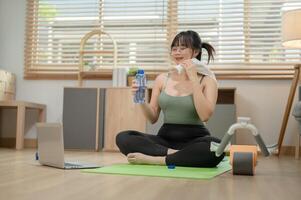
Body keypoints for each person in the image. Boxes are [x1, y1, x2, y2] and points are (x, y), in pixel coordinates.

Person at [116, 30, 225, 168]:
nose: (177, 52)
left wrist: (193, 78)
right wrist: (141, 99)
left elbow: (205, 116)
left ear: (196, 51)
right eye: (174, 48)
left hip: (196, 139)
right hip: (165, 140)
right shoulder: (162, 79)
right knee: (123, 137)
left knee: (216, 147)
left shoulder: (207, 80)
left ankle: (156, 159)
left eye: (182, 48)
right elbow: (152, 117)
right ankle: (177, 155)